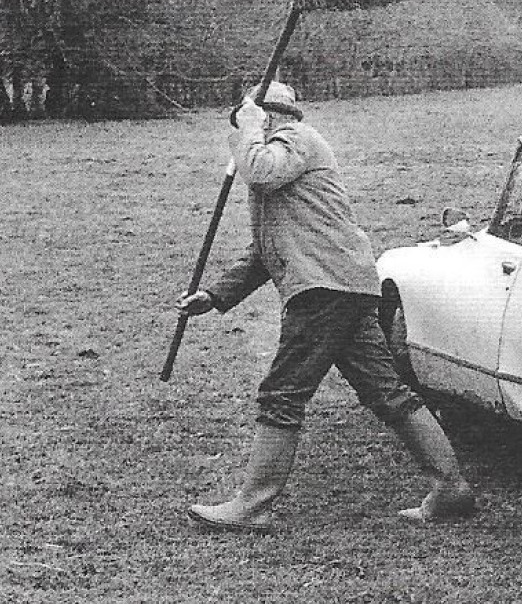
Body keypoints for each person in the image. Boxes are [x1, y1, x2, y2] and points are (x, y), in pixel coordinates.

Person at [176, 82, 475, 531]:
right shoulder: (279, 158)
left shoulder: (296, 141)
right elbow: (267, 247)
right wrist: (217, 295)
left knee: (282, 394)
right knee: (386, 392)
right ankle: (450, 487)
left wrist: (250, 129)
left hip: (324, 290)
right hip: (345, 285)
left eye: (246, 118)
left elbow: (257, 170)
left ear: (268, 116)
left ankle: (253, 505)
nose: (239, 129)